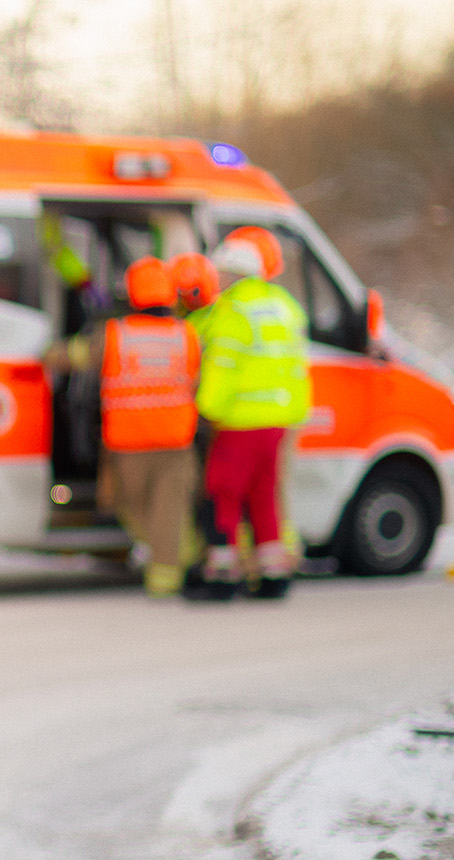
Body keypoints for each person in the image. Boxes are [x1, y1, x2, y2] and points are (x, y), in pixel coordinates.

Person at [190, 226, 311, 600]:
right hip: (279, 421)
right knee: (264, 498)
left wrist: (205, 410)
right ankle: (273, 576)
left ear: (233, 273)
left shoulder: (232, 312)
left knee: (223, 493)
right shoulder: (283, 305)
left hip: (239, 422)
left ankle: (221, 575)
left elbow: (221, 369)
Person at [97, 258, 202, 597]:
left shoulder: (114, 335)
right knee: (169, 511)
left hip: (128, 446)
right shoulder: (186, 335)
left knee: (135, 509)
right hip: (174, 443)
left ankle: (166, 573)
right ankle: (174, 569)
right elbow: (197, 381)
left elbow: (79, 355)